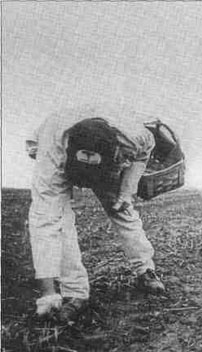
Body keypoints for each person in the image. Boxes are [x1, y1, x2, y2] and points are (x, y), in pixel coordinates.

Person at [28, 105, 167, 325]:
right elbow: (44, 221)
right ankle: (75, 293)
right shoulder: (52, 152)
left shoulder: (134, 138)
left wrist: (126, 191)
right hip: (56, 148)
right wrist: (47, 292)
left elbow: (144, 153)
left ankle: (146, 270)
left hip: (108, 156)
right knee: (59, 219)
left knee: (122, 209)